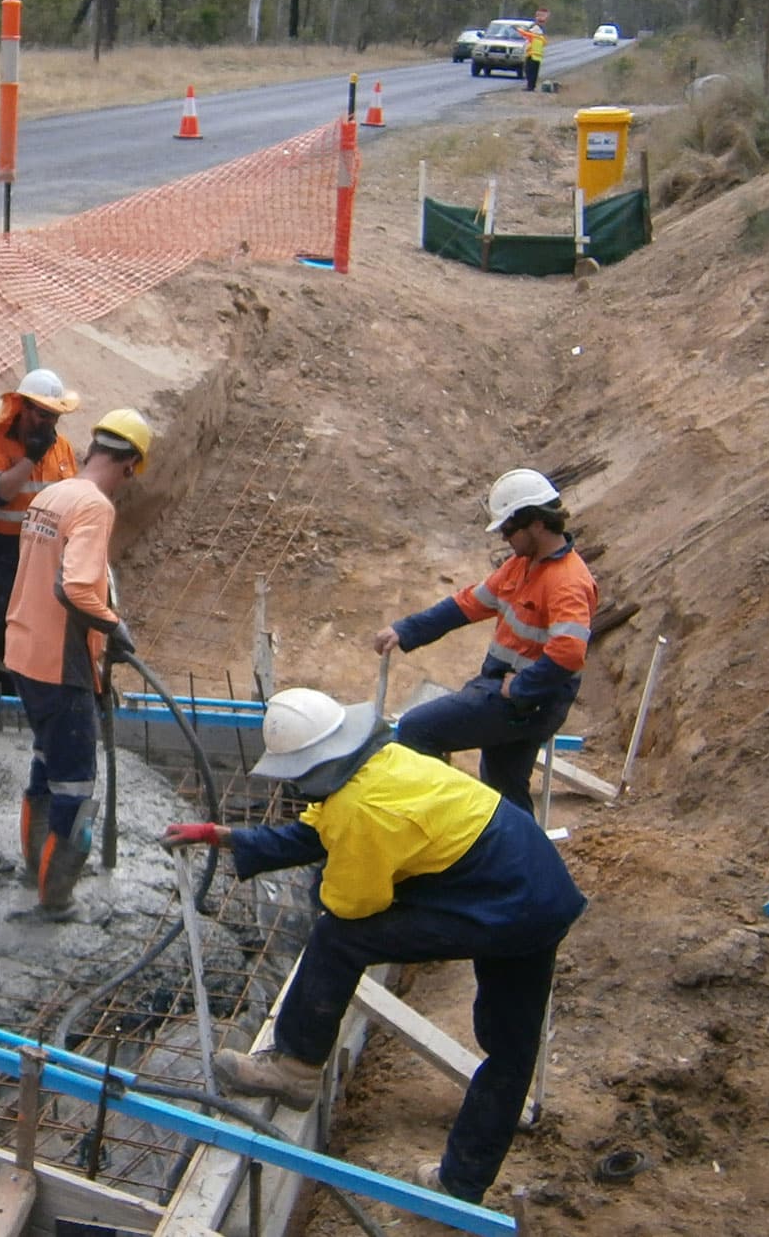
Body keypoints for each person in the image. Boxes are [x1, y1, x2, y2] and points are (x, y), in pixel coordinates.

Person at [162, 686, 585, 1206]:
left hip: (503, 904)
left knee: (337, 938)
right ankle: (462, 1184)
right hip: (537, 884)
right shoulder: (383, 762)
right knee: (511, 1051)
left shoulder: (362, 812)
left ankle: (296, 1067)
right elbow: (314, 834)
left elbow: (350, 906)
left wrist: (325, 886)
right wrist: (222, 836)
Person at [374, 468, 596, 818]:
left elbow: (569, 652)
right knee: (505, 787)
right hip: (514, 692)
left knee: (419, 730)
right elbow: (467, 604)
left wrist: (520, 688)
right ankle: (521, 862)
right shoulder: (520, 566)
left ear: (536, 523)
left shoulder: (567, 581)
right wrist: (407, 630)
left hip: (527, 702)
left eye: (509, 529)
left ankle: (439, 826)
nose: (505, 538)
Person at [2, 408, 154, 917]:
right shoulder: (94, 507)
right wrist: (114, 625)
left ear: (94, 448)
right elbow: (74, 588)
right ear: (130, 464)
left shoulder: (52, 493)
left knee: (46, 763)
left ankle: (34, 871)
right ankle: (56, 900)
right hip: (59, 665)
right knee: (75, 784)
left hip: (23, 652)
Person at [0, 368, 82, 693]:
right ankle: (3, 690)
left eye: (53, 416)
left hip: (49, 551)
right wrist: (28, 459)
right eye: (40, 414)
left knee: (46, 622)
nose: (46, 422)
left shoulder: (61, 448)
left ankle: (39, 687)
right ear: (22, 407)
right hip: (5, 551)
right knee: (5, 621)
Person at [522, 20, 548, 92]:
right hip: (538, 57)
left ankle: (530, 87)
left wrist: (517, 29)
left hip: (531, 56)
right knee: (534, 73)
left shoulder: (533, 37)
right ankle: (531, 86)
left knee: (529, 72)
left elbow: (524, 34)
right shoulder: (541, 38)